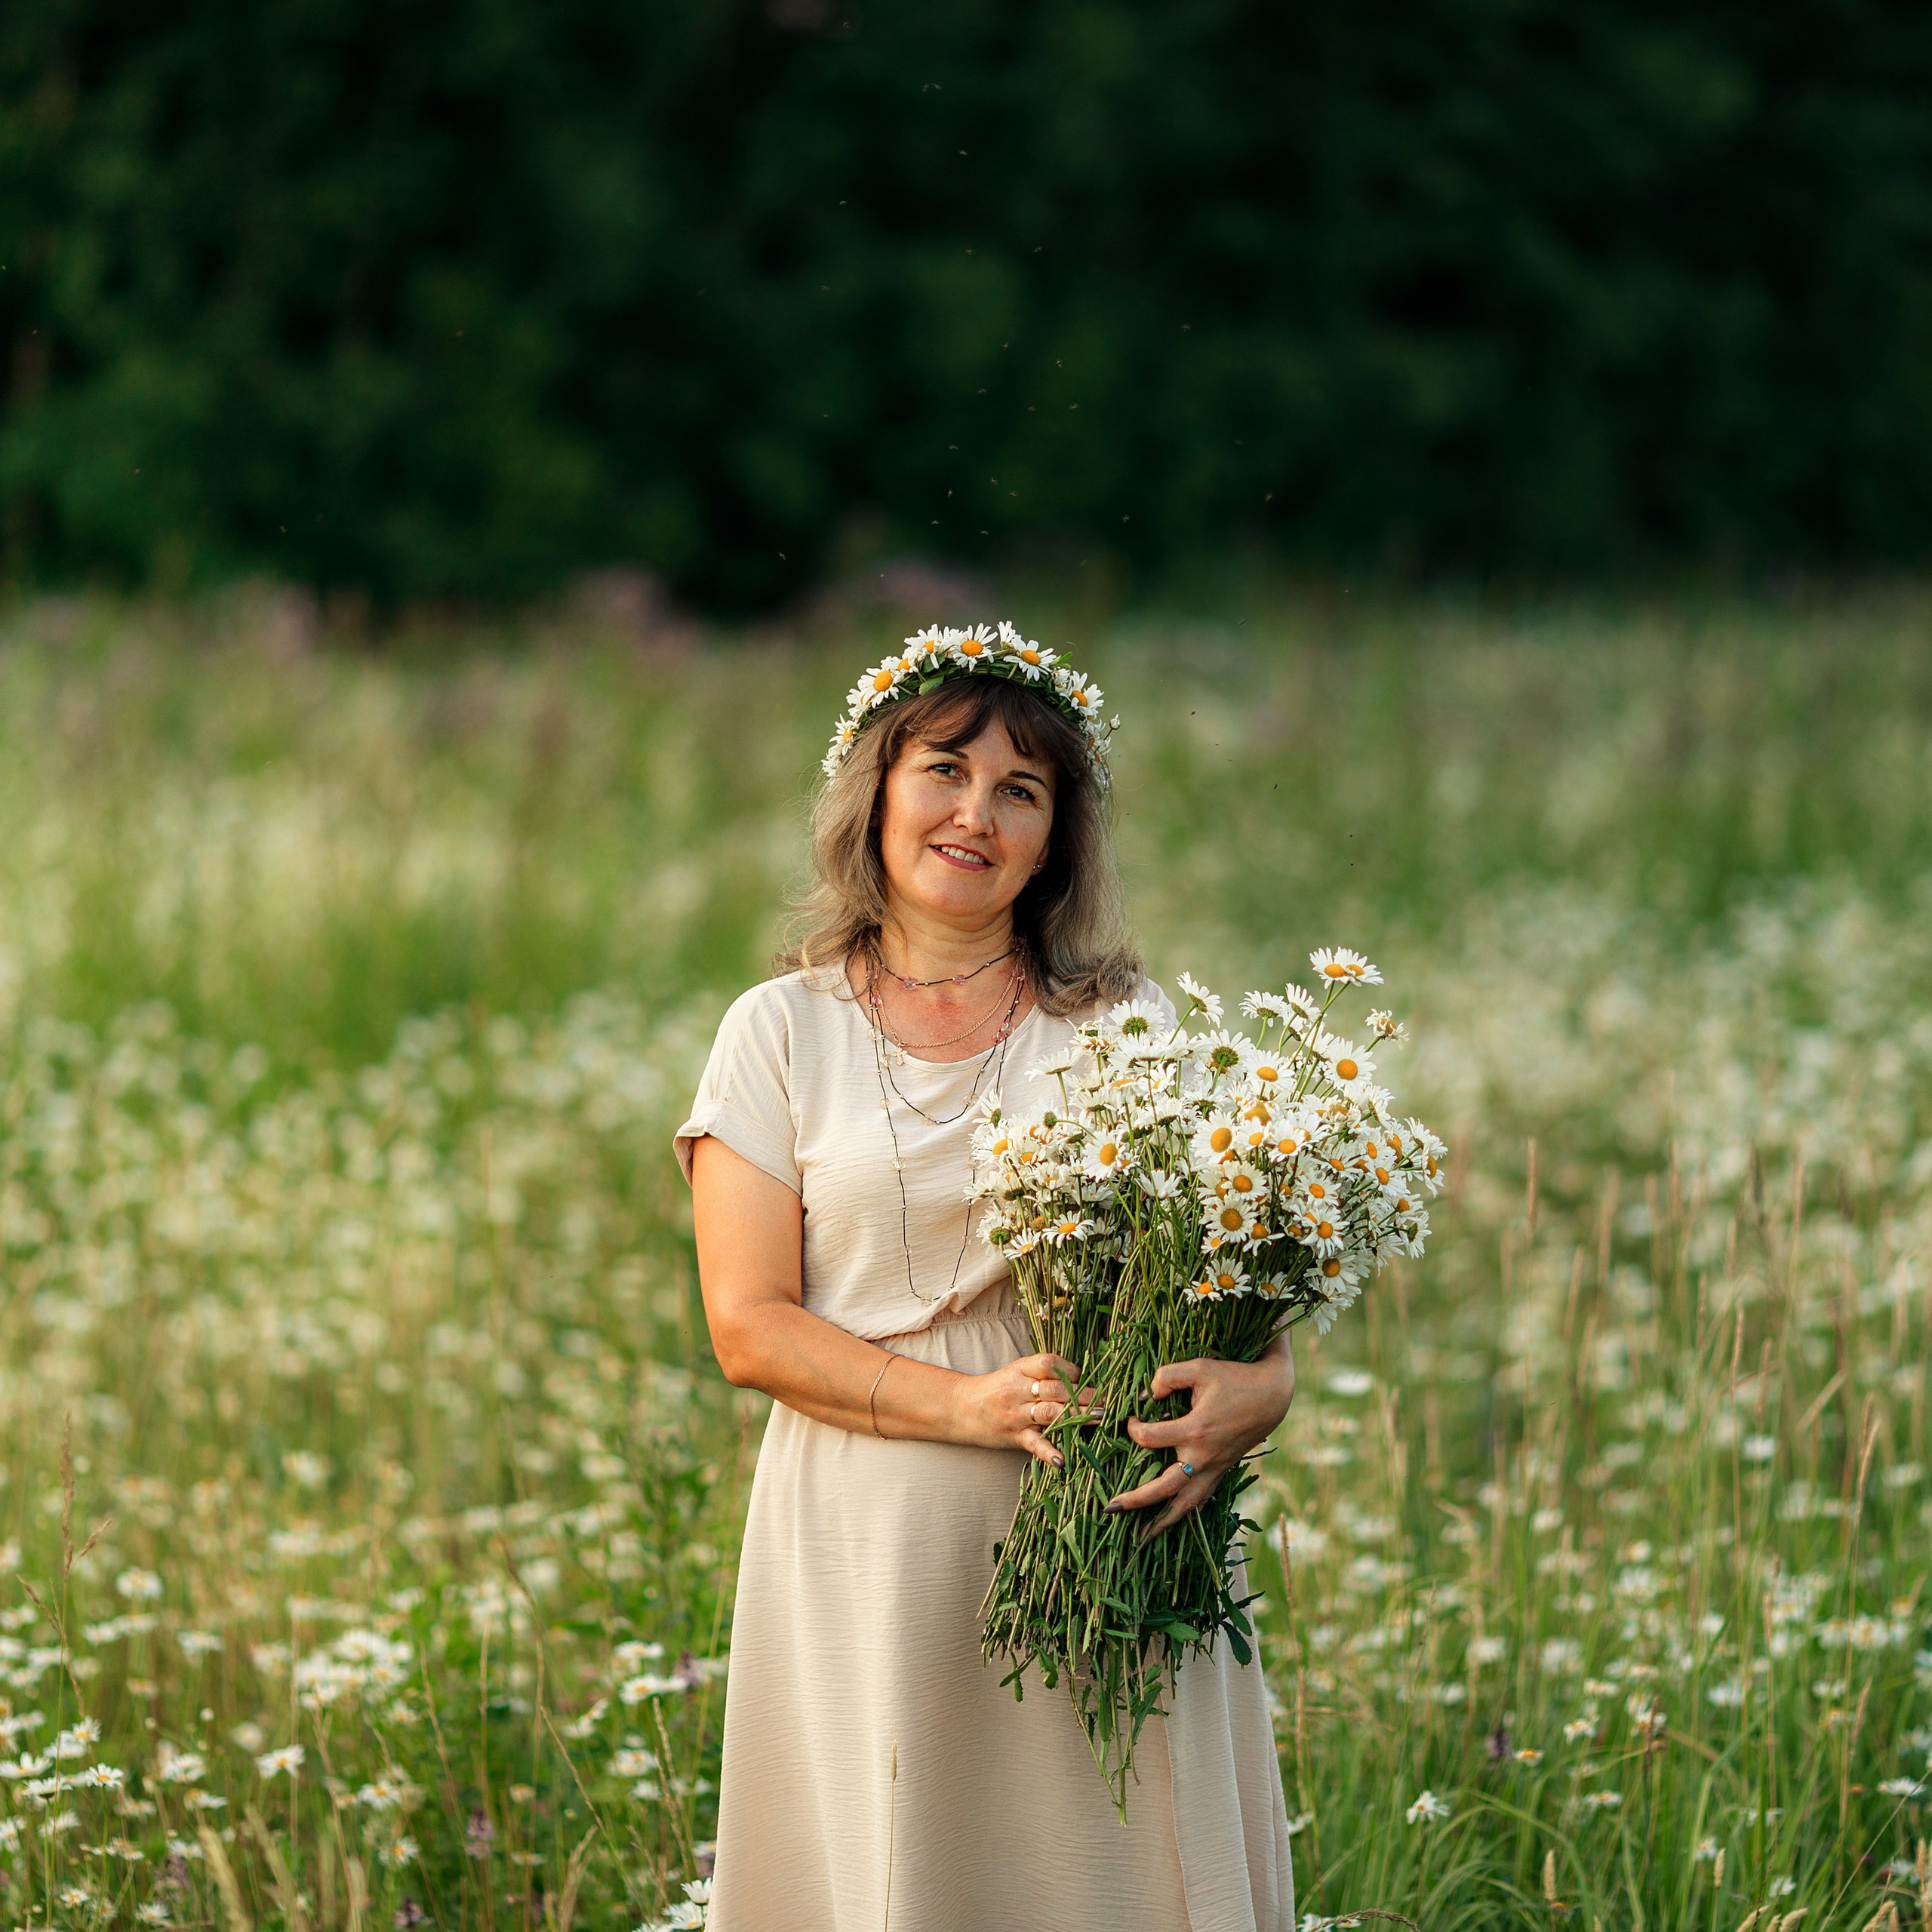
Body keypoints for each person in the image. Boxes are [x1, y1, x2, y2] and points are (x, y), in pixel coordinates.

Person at [675, 623, 1298, 1930]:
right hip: (874, 1531)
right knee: (904, 1874)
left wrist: (1263, 1389)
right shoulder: (775, 1033)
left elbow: (1224, 1282)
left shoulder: (1124, 1030)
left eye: (1023, 790)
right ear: (875, 792)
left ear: (1056, 835)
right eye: (945, 771)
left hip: (1110, 1522)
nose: (977, 813)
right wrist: (967, 1410)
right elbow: (749, 1328)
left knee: (1110, 1876)